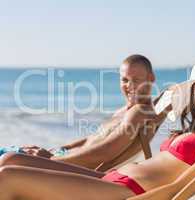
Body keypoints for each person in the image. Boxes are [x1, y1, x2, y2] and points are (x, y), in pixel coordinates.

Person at [0, 59, 195, 200]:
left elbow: (181, 186)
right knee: (11, 159)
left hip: (126, 192)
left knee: (8, 177)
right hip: (110, 178)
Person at [0, 54, 166, 175]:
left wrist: (51, 160)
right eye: (124, 80)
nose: (129, 86)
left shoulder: (139, 112)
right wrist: (61, 149)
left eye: (136, 80)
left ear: (150, 78)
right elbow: (93, 139)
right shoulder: (124, 111)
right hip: (65, 158)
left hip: (74, 169)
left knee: (9, 159)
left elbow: (106, 151)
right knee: (9, 155)